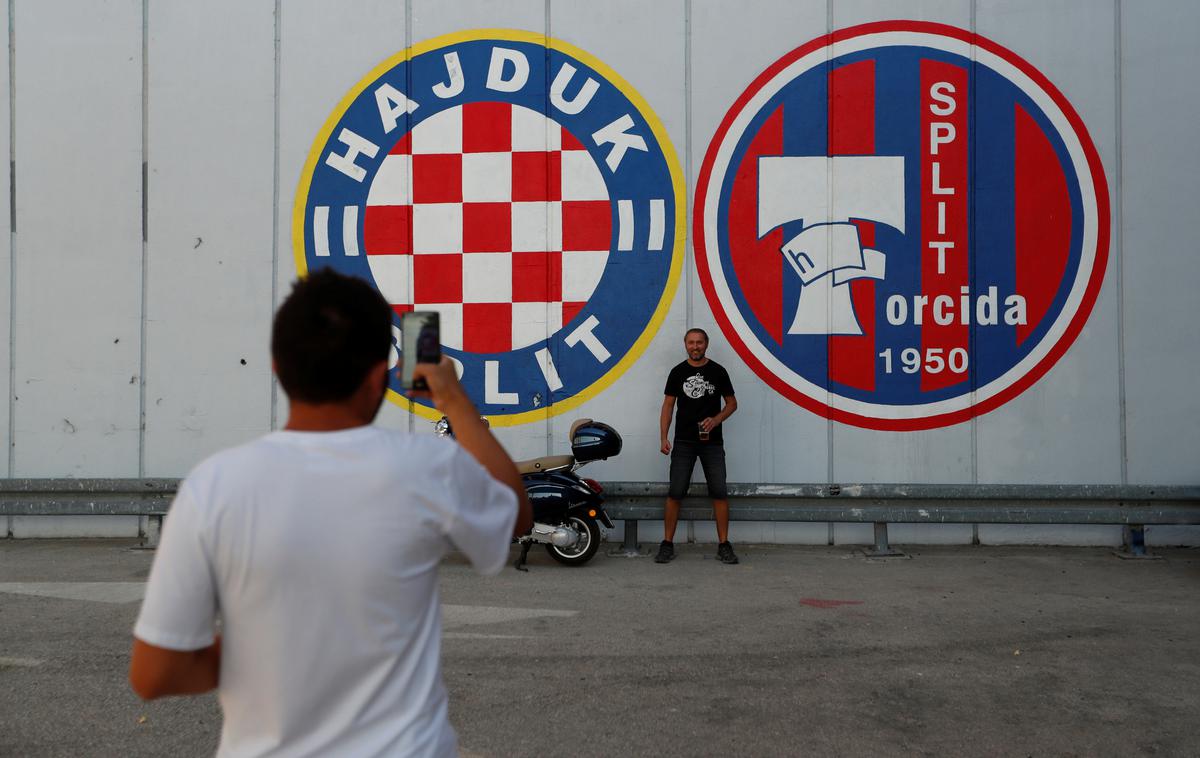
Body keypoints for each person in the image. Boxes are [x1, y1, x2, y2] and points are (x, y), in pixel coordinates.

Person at [128, 269, 532, 757]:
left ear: (277, 367)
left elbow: (155, 673)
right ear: (379, 376)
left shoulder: (213, 486)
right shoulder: (428, 468)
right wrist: (453, 400)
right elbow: (517, 516)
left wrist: (267, 650)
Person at [657, 327, 738, 565]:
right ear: (685, 344)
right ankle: (667, 544)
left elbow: (732, 404)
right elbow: (668, 407)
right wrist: (663, 437)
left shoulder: (718, 371)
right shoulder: (677, 372)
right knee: (675, 493)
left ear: (706, 344)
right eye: (691, 342)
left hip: (712, 444)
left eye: (699, 342)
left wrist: (716, 419)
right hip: (683, 442)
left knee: (719, 493)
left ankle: (724, 544)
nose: (695, 347)